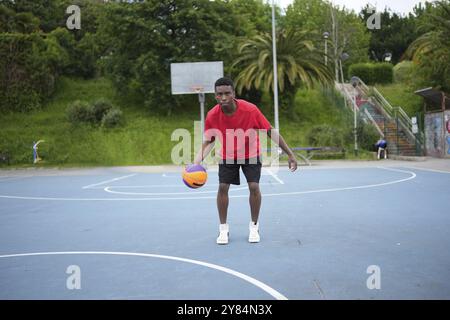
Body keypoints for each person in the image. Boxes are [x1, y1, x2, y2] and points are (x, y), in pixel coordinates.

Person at [193, 77, 298, 245]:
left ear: (234, 93)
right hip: (228, 155)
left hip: (251, 153)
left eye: (227, 93)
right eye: (220, 94)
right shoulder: (212, 115)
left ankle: (254, 226)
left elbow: (270, 131)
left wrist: (290, 153)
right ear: (215, 96)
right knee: (222, 187)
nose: (224, 97)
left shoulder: (250, 110)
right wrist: (196, 162)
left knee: (254, 186)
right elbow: (209, 140)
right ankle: (223, 229)